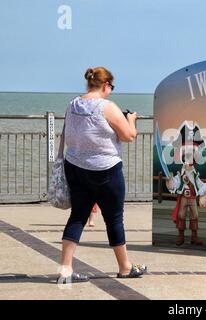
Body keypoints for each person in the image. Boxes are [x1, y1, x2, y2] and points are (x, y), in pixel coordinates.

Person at [57, 67, 146, 284]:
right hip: (105, 170)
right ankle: (125, 267)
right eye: (111, 87)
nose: (111, 91)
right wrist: (131, 119)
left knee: (78, 216)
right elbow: (128, 136)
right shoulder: (107, 107)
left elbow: (68, 133)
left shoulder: (73, 104)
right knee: (114, 218)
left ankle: (65, 269)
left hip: (76, 166)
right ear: (105, 85)